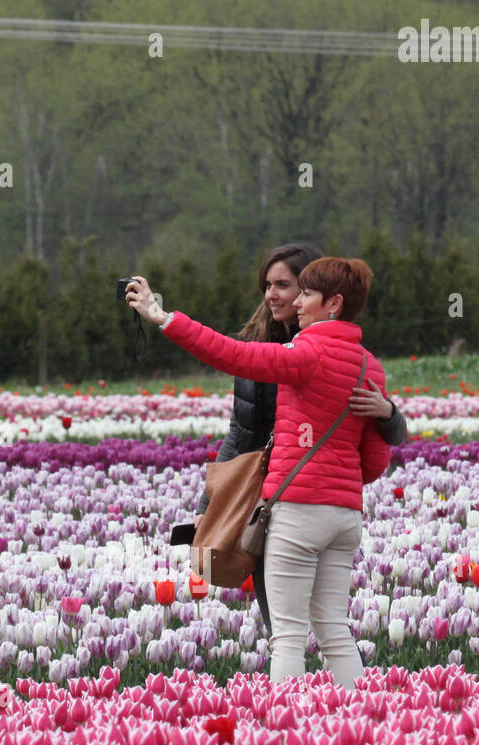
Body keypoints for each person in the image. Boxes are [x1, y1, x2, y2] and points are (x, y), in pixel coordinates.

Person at [127, 258, 392, 690]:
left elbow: (231, 354)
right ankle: (361, 725)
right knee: (334, 631)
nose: (297, 302)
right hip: (345, 517)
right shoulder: (370, 368)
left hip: (299, 513)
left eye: (307, 294)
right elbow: (376, 462)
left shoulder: (306, 353)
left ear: (334, 304)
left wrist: (162, 317)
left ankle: (285, 733)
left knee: (287, 636)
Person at [192, 243, 405, 645]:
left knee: (312, 630)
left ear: (318, 292)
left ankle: (308, 703)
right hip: (263, 500)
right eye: (267, 285)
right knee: (291, 623)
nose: (273, 294)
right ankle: (319, 702)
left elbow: (382, 440)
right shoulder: (258, 349)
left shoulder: (335, 352)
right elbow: (239, 434)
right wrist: (208, 506)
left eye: (286, 286)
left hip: (302, 499)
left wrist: (388, 412)